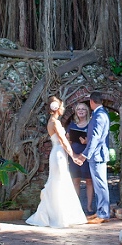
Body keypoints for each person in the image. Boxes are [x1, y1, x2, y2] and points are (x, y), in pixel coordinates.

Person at [26, 96, 88, 228]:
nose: (64, 109)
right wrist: (74, 156)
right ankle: (59, 217)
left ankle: (57, 214)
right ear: (58, 108)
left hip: (57, 153)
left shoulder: (51, 122)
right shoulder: (55, 123)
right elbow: (63, 141)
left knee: (57, 182)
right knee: (60, 182)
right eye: (62, 107)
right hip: (59, 154)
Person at [77, 92, 111, 223]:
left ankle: (103, 214)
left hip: (98, 155)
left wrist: (85, 154)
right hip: (97, 155)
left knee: (101, 185)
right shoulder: (99, 114)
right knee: (98, 185)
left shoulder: (99, 116)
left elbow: (96, 138)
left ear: (91, 102)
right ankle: (101, 212)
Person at [67, 102, 93, 210]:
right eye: (79, 109)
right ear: (76, 112)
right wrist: (73, 154)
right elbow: (67, 139)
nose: (81, 111)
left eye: (83, 109)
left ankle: (89, 207)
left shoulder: (90, 124)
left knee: (89, 181)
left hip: (87, 157)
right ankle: (76, 208)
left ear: (87, 111)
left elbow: (94, 140)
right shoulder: (72, 124)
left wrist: (86, 142)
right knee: (76, 181)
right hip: (74, 157)